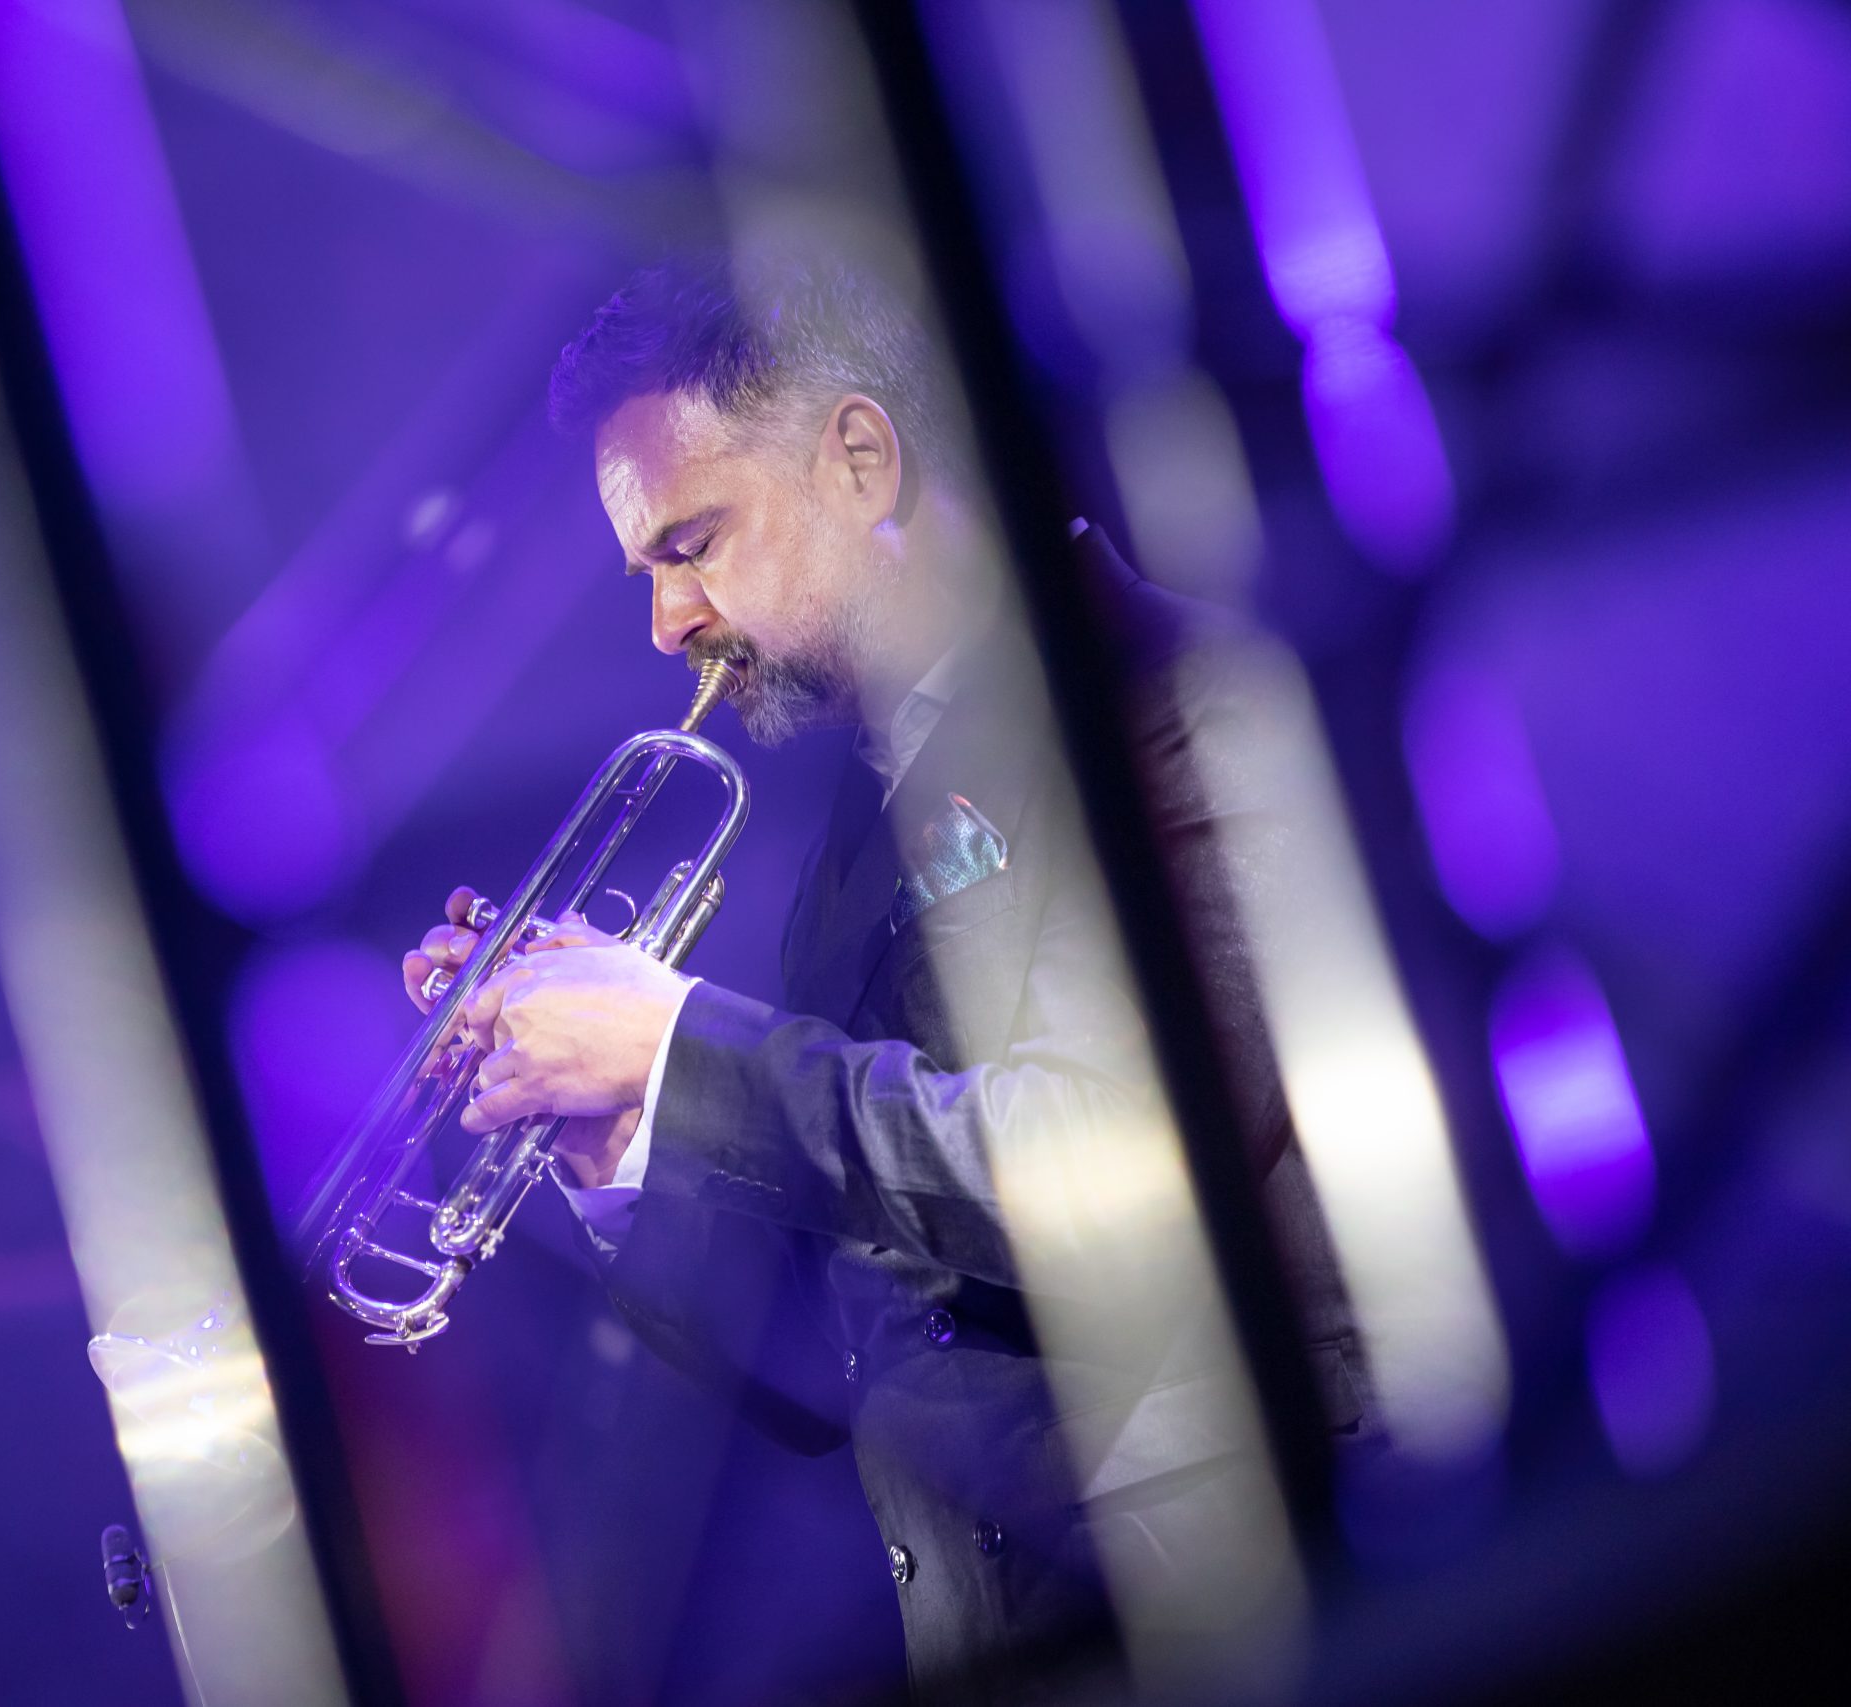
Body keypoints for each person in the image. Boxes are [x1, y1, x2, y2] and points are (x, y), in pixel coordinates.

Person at [400, 253, 1365, 1704]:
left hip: (1256, 1607)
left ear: (861, 459)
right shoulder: (869, 820)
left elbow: (1129, 1168)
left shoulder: (1178, 698)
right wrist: (622, 1133)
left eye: (691, 544)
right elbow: (833, 1362)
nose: (668, 622)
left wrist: (678, 1049)